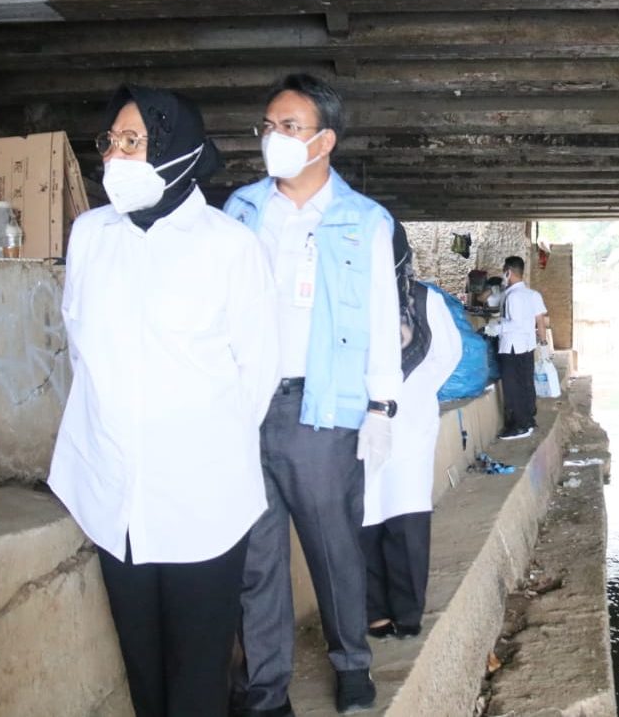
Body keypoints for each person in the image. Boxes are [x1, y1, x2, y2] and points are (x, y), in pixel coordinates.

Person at [48, 86, 279, 717]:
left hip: (201, 499)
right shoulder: (90, 235)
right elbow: (80, 348)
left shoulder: (230, 247)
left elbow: (256, 374)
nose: (115, 157)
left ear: (178, 151)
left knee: (198, 672)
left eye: (133, 141)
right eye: (110, 142)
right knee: (142, 668)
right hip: (113, 496)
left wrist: (190, 440)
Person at [224, 74, 401, 716]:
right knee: (256, 558)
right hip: (246, 405)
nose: (274, 137)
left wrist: (381, 407)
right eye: (268, 126)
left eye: (289, 127)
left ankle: (351, 664)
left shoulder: (363, 221)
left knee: (333, 549)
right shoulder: (240, 212)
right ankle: (266, 691)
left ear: (325, 140)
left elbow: (383, 318)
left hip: (321, 410)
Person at [361, 225, 463, 640]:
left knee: (396, 518)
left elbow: (448, 355)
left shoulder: (425, 299)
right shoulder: (356, 296)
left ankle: (395, 615)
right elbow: (447, 357)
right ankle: (387, 614)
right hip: (368, 423)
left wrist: (415, 390)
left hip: (404, 426)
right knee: (369, 519)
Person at [496, 256, 548, 440]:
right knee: (526, 383)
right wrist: (543, 343)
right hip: (527, 346)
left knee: (512, 387)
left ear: (508, 272)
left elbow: (515, 324)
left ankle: (520, 426)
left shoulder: (512, 296)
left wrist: (496, 328)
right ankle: (528, 420)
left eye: (504, 271)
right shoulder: (533, 294)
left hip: (512, 346)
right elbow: (540, 320)